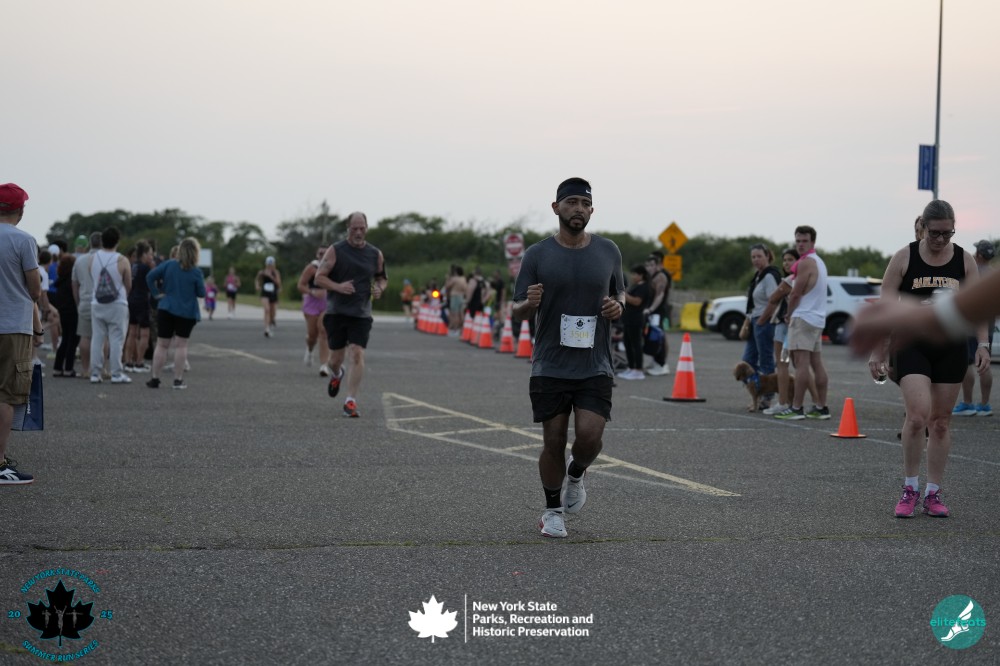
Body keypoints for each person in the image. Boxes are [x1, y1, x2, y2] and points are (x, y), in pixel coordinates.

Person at [512, 177, 625, 539]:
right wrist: (528, 304)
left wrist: (617, 306)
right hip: (550, 363)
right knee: (554, 440)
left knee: (590, 437)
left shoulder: (608, 251)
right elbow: (516, 309)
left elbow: (619, 293)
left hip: (595, 363)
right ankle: (552, 510)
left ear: (592, 210)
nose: (578, 209)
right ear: (556, 207)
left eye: (584, 203)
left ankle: (576, 473)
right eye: (571, 202)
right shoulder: (537, 254)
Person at [866, 201, 987, 519]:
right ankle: (910, 488)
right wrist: (878, 350)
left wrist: (983, 344)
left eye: (948, 233)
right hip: (911, 344)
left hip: (950, 347)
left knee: (941, 423)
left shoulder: (964, 259)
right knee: (918, 417)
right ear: (924, 227)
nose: (941, 240)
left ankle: (933, 493)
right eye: (935, 233)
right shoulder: (904, 257)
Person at [314, 212, 387, 418]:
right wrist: (338, 286)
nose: (358, 232)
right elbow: (319, 278)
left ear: (367, 228)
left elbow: (382, 278)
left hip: (361, 314)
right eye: (354, 228)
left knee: (356, 353)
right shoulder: (336, 250)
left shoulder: (375, 254)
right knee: (335, 360)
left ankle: (350, 400)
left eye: (362, 228)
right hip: (337, 312)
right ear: (348, 228)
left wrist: (380, 288)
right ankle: (337, 374)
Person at [0, 183, 39, 484]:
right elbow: (34, 289)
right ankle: (0, 464)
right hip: (13, 325)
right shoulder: (24, 240)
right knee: (6, 394)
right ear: (20, 209)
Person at [773, 226, 831, 420]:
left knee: (801, 364)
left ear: (812, 242)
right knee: (817, 363)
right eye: (798, 241)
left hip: (803, 317)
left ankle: (796, 408)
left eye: (804, 241)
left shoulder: (805, 263)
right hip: (817, 318)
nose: (800, 245)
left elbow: (796, 293)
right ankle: (821, 407)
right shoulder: (819, 262)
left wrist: (788, 314)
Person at [145, 238, 207, 389]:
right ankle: (178, 380)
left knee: (162, 344)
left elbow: (150, 277)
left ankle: (155, 378)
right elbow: (201, 293)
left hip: (166, 308)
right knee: (181, 345)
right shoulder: (196, 272)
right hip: (186, 312)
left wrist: (156, 293)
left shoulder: (169, 265)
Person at [952, 239, 994, 417]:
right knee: (985, 363)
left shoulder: (971, 272)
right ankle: (985, 404)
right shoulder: (993, 274)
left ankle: (968, 403)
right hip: (988, 324)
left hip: (970, 323)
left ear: (979, 255)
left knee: (967, 363)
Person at [88, 227, 133, 384]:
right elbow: (128, 284)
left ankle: (95, 373)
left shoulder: (92, 259)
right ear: (117, 242)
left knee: (97, 339)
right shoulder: (122, 260)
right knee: (116, 339)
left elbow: (93, 278)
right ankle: (116, 373)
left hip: (97, 303)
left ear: (102, 241)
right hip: (117, 304)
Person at [741, 244, 781, 408]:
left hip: (764, 322)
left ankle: (767, 397)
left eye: (759, 256)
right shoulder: (759, 276)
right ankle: (757, 392)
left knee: (766, 360)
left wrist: (762, 320)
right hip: (755, 320)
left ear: (767, 256)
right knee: (747, 361)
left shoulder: (770, 276)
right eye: (753, 257)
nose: (756, 260)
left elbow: (774, 300)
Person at [72, 232, 102, 378]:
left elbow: (74, 284)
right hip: (103, 301)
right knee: (103, 337)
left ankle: (85, 369)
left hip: (85, 300)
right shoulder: (106, 259)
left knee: (85, 336)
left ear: (90, 243)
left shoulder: (80, 260)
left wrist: (78, 301)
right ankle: (103, 368)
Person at [297, 246, 331, 372]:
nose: (322, 255)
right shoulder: (312, 268)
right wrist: (312, 292)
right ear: (317, 255)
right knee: (312, 335)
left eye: (325, 253)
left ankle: (324, 365)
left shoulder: (334, 267)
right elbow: (300, 285)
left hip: (327, 303)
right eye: (320, 253)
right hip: (312, 303)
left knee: (323, 331)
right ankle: (310, 349)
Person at [124, 241, 154, 372]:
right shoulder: (145, 268)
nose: (152, 257)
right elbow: (151, 285)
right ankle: (139, 362)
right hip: (142, 300)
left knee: (132, 332)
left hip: (131, 300)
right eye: (150, 254)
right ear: (144, 254)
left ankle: (128, 362)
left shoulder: (133, 266)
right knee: (145, 333)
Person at [618, 264, 650, 381]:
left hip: (636, 320)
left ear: (641, 275)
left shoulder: (644, 287)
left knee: (636, 345)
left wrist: (623, 294)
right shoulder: (635, 286)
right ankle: (631, 367)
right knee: (628, 344)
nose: (633, 276)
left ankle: (638, 369)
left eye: (635, 274)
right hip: (628, 319)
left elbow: (637, 301)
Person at [643, 251, 671, 375]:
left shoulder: (661, 276)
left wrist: (651, 309)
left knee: (658, 336)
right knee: (652, 338)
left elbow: (660, 295)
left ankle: (661, 365)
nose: (649, 268)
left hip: (658, 312)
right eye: (647, 265)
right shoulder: (651, 277)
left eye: (651, 265)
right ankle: (656, 362)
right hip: (652, 312)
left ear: (658, 265)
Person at [51, 254, 80, 377]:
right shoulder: (71, 280)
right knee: (73, 340)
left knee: (65, 339)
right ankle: (69, 368)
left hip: (63, 312)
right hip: (73, 311)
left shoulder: (60, 281)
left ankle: (58, 367)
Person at [256, 256, 281, 337]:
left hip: (273, 293)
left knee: (273, 312)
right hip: (265, 293)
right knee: (267, 310)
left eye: (271, 264)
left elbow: (278, 283)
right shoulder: (262, 272)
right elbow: (257, 279)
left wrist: (271, 276)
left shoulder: (276, 272)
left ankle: (271, 321)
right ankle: (266, 329)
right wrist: (257, 285)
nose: (270, 266)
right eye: (268, 264)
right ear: (266, 264)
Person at [444, 265, 467, 336]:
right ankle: (461, 328)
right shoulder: (463, 279)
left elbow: (447, 286)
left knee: (454, 314)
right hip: (461, 296)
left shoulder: (455, 279)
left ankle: (455, 329)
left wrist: (447, 279)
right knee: (461, 314)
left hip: (455, 296)